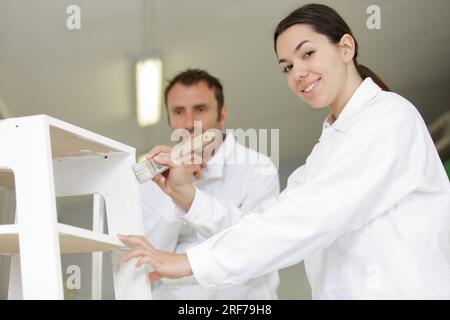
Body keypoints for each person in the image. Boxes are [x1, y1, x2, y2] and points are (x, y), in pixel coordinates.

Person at [120, 4, 450, 299]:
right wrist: (185, 195)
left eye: (307, 54)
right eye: (287, 67)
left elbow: (308, 219)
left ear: (346, 47)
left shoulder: (388, 119)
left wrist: (189, 261)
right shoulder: (326, 150)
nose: (298, 73)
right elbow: (264, 222)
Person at [139, 69, 280, 299]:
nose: (189, 123)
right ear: (169, 120)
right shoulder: (153, 179)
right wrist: (173, 190)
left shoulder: (257, 169)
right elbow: (147, 261)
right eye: (178, 112)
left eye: (200, 109)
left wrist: (188, 195)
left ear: (222, 115)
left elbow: (257, 246)